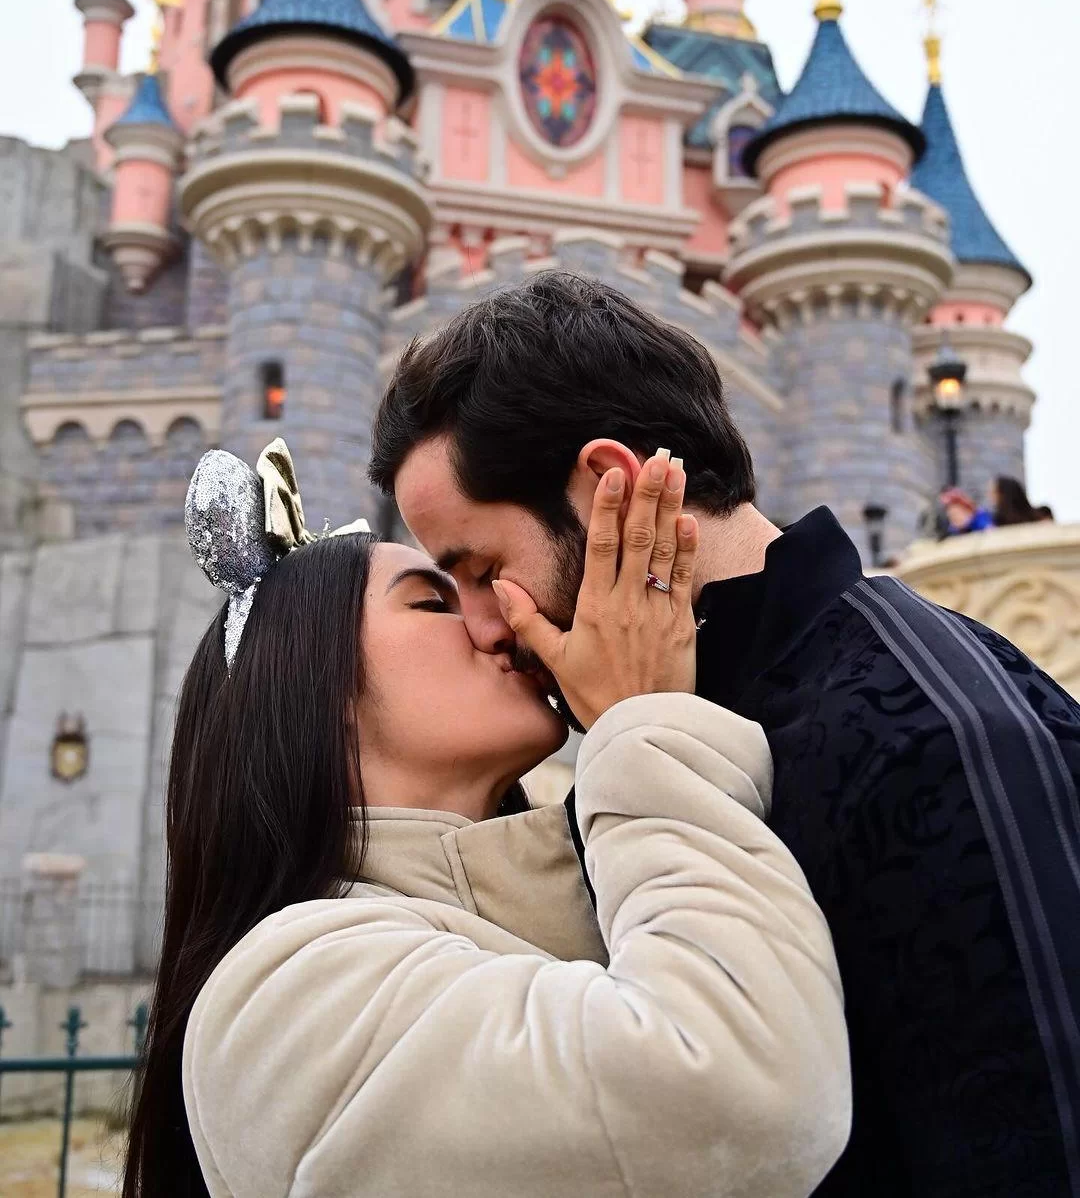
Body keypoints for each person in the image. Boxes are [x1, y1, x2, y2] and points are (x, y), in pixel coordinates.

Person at [371, 270, 1080, 1198]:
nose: (483, 625)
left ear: (609, 489)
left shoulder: (936, 732)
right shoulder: (660, 736)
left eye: (481, 568)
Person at [122, 437, 851, 1198]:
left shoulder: (584, 886)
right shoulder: (284, 998)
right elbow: (741, 1095)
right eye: (436, 600)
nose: (501, 620)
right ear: (314, 693)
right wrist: (644, 724)